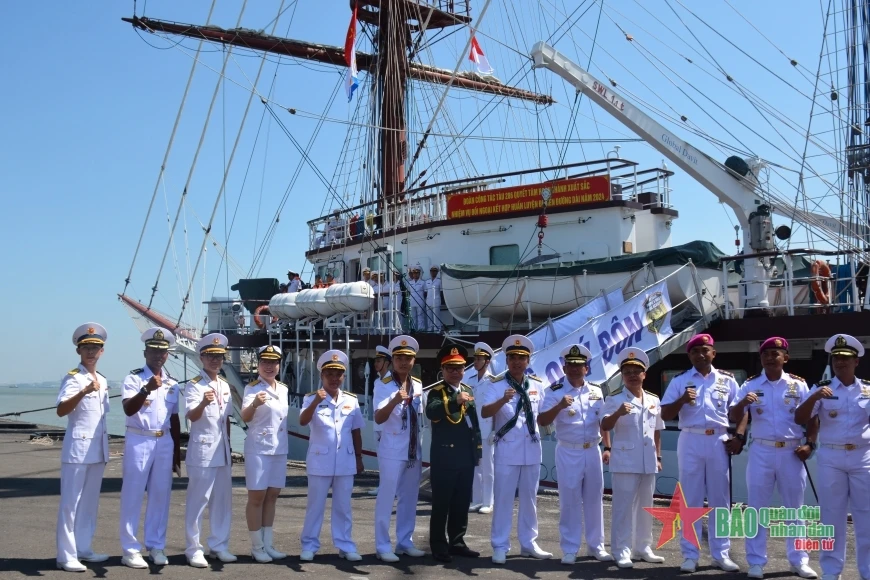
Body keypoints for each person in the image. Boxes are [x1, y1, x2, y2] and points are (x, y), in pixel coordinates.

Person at [729, 337, 818, 579]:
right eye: (765, 353)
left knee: (795, 509)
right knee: (757, 508)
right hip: (762, 451)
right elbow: (734, 415)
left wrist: (810, 444)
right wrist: (742, 404)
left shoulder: (798, 385)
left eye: (775, 353)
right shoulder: (750, 385)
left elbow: (812, 416)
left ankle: (799, 560)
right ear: (761, 358)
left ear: (785, 358)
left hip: (791, 451)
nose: (770, 357)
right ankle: (756, 562)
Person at [660, 333, 742, 573]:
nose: (700, 354)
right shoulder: (680, 381)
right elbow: (665, 414)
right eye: (695, 351)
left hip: (719, 439)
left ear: (713, 353)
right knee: (691, 499)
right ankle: (690, 554)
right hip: (691, 438)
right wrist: (683, 401)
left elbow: (739, 410)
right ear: (689, 355)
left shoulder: (727, 380)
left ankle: (721, 554)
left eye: (704, 350)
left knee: (720, 499)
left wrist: (738, 436)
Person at [795, 334, 870, 580]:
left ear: (856, 361)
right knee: (831, 516)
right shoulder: (821, 389)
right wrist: (815, 397)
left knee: (866, 517)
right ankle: (830, 570)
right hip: (831, 457)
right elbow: (800, 418)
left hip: (862, 458)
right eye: (836, 358)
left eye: (845, 358)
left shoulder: (868, 390)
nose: (840, 362)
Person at [538, 344, 613, 565]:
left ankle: (596, 546)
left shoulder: (596, 391)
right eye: (570, 365)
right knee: (569, 500)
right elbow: (542, 421)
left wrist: (607, 447)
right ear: (564, 368)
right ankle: (570, 548)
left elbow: (603, 423)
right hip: (568, 450)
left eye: (579, 365)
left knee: (594, 499)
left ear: (586, 368)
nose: (574, 369)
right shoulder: (553, 392)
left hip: (592, 450)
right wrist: (560, 406)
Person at [481, 334, 552, 564]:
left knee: (530, 499)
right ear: (507, 361)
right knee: (503, 499)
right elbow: (484, 412)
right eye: (512, 358)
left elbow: (544, 416)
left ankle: (529, 543)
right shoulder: (496, 384)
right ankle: (500, 545)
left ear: (528, 360)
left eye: (521, 358)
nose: (517, 362)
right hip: (507, 450)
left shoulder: (538, 385)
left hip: (531, 449)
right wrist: (502, 400)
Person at [119, 327, 181, 569]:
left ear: (167, 355)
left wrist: (177, 453)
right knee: (132, 495)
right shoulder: (133, 378)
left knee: (160, 495)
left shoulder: (173, 384)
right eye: (154, 350)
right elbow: (127, 409)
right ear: (145, 352)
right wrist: (146, 389)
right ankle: (130, 549)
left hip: (164, 441)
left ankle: (156, 545)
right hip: (139, 438)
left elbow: (175, 420)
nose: (158, 355)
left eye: (162, 351)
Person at [600, 347, 666, 568]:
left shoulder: (654, 399)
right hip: (625, 461)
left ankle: (643, 547)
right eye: (627, 372)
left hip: (648, 460)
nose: (631, 375)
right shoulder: (614, 399)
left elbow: (657, 429)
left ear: (644, 374)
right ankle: (621, 550)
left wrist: (658, 456)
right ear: (622, 376)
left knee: (646, 506)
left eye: (636, 371)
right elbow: (604, 426)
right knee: (623, 507)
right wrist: (618, 413)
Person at [298, 350, 365, 562]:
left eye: (338, 374)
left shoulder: (351, 400)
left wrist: (359, 458)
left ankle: (345, 545)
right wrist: (316, 402)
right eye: (330, 374)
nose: (335, 379)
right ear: (322, 376)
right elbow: (302, 421)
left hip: (345, 460)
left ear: (343, 376)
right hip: (320, 460)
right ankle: (309, 545)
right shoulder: (311, 398)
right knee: (315, 506)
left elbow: (356, 431)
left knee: (343, 507)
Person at [55, 323, 110, 572]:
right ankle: (66, 555)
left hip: (97, 450)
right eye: (86, 347)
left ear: (102, 351)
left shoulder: (103, 380)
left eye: (95, 348)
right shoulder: (73, 378)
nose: (91, 352)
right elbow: (61, 410)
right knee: (70, 503)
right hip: (77, 450)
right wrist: (84, 391)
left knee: (89, 503)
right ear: (79, 351)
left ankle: (83, 548)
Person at [183, 333, 237, 568]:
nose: (214, 360)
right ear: (201, 358)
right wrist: (203, 403)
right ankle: (193, 548)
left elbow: (227, 420)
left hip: (222, 451)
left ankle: (219, 545)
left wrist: (229, 446)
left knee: (222, 501)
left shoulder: (224, 385)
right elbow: (191, 416)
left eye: (218, 356)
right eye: (210, 356)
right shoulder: (194, 385)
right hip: (202, 451)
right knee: (198, 501)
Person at [425, 344, 482, 563]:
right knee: (442, 504)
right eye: (450, 368)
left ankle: (457, 542)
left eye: (458, 368)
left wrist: (478, 450)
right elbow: (432, 411)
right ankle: (439, 545)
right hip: (444, 457)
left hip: (465, 456)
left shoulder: (467, 390)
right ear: (443, 369)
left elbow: (474, 423)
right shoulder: (437, 392)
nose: (455, 372)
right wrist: (454, 401)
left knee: (460, 503)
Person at [373, 335, 426, 562]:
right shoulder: (382, 385)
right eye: (399, 358)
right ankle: (383, 545)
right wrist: (394, 400)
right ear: (392, 360)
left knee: (409, 497)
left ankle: (405, 541)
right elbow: (379, 417)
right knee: (387, 497)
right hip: (392, 449)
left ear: (414, 360)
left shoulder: (418, 385)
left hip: (413, 450)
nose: (404, 362)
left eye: (408, 358)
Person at [241, 345, 289, 563]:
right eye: (265, 362)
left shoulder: (284, 389)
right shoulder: (252, 389)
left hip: (279, 449)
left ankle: (268, 544)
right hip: (259, 449)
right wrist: (254, 404)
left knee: (272, 496)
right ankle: (257, 546)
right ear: (258, 364)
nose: (269, 367)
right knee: (257, 497)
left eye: (273, 362)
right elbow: (245, 417)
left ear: (279, 365)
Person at [469, 341, 495, 514]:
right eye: (475, 358)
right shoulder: (469, 380)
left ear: (487, 361)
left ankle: (488, 501)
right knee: (474, 467)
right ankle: (477, 500)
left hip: (487, 430)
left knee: (488, 467)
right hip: (471, 429)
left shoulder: (493, 382)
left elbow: (495, 408)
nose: (476, 361)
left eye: (479, 359)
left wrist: (495, 429)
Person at [367, 345, 392, 498]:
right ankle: (384, 486)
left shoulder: (391, 382)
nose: (376, 363)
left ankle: (390, 488)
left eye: (380, 360)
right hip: (378, 424)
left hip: (387, 426)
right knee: (382, 458)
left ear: (387, 362)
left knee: (388, 459)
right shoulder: (378, 381)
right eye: (376, 360)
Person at [406, 265, 426, 332]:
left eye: (417, 273)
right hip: (412, 301)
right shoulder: (410, 283)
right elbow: (408, 292)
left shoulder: (423, 282)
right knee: (413, 316)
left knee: (420, 316)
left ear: (419, 274)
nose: (415, 274)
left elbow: (425, 292)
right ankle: (413, 329)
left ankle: (421, 329)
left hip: (420, 301)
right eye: (414, 273)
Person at [425, 266, 443, 332]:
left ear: (437, 272)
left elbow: (441, 291)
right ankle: (430, 329)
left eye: (435, 271)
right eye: (432, 271)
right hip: (428, 301)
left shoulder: (439, 281)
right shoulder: (427, 281)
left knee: (436, 316)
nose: (433, 272)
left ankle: (437, 329)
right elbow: (425, 292)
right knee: (429, 317)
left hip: (436, 301)